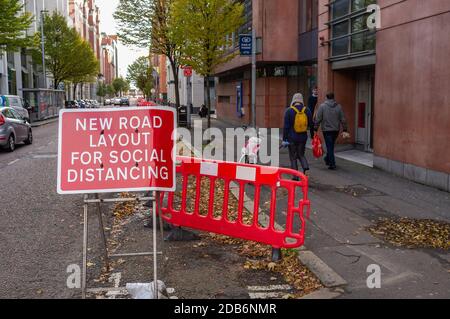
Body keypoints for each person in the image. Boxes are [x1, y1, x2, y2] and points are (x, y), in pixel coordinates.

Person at [314, 92, 349, 170]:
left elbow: (318, 118)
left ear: (326, 97)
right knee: (331, 146)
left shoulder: (322, 106)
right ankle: (327, 159)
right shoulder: (339, 106)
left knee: (330, 146)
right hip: (336, 130)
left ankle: (332, 164)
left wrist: (315, 128)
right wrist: (345, 129)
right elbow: (343, 119)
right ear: (333, 98)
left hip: (326, 130)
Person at [283, 93, 313, 177]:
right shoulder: (307, 110)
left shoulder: (289, 111)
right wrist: (313, 136)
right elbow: (311, 124)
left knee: (293, 157)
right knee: (301, 154)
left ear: (293, 100)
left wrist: (284, 139)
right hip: (303, 137)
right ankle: (306, 168)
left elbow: (286, 127)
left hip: (291, 137)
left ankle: (295, 176)